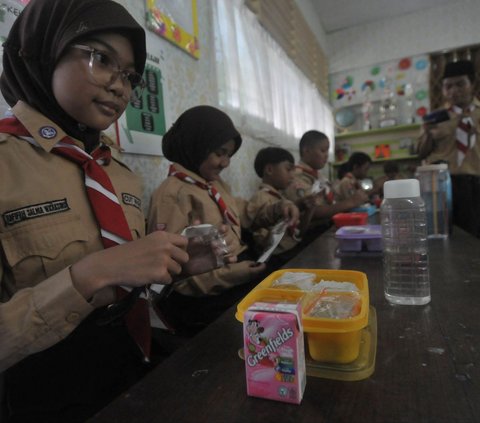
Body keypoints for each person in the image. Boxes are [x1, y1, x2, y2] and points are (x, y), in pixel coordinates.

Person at [0, 1, 201, 421]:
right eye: (101, 58)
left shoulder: (120, 175)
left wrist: (174, 268)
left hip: (132, 371)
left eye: (129, 75)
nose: (119, 86)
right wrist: (91, 275)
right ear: (44, 50)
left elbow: (130, 279)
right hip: (40, 398)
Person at [147, 105, 299, 335]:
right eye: (219, 153)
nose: (225, 163)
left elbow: (246, 214)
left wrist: (280, 207)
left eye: (229, 155)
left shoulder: (215, 185)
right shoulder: (172, 195)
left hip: (237, 273)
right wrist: (233, 274)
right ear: (195, 146)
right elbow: (174, 277)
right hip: (206, 300)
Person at [417, 60, 480, 237]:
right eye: (448, 86)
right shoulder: (435, 118)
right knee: (445, 235)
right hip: (442, 184)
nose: (453, 91)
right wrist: (428, 134)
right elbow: (421, 153)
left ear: (472, 84)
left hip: (477, 182)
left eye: (460, 84)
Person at [283, 130, 368, 243]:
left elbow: (333, 200)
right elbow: (314, 212)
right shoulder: (297, 177)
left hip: (326, 228)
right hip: (310, 236)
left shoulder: (319, 176)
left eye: (327, 150)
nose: (326, 155)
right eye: (322, 150)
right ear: (306, 150)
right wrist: (351, 202)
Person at [246, 147, 318, 266]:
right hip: (279, 259)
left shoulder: (282, 199)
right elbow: (263, 246)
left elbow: (297, 234)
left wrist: (309, 210)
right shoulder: (260, 198)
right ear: (269, 169)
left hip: (292, 251)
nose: (293, 175)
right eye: (288, 169)